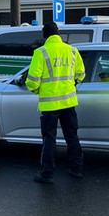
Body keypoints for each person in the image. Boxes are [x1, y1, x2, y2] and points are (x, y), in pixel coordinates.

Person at [25, 22, 86, 183]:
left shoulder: (41, 52)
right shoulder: (72, 50)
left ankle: (47, 174)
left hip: (50, 104)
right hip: (69, 102)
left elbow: (32, 81)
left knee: (49, 138)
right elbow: (81, 74)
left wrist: (38, 90)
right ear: (58, 34)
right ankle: (76, 169)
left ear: (45, 36)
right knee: (72, 136)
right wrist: (72, 84)